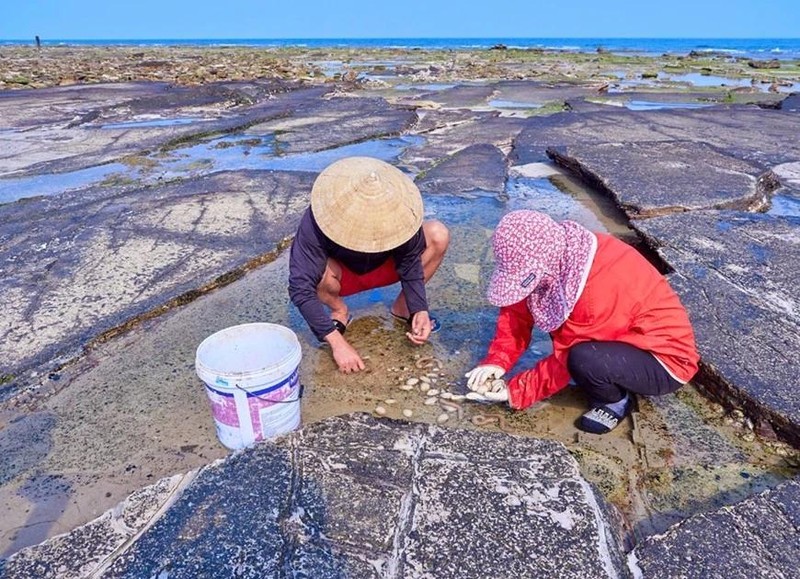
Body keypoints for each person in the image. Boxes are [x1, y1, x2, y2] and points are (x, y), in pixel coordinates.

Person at [465, 210, 699, 434]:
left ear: (544, 267)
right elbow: (518, 305)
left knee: (584, 358)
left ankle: (614, 401)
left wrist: (514, 390)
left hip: (663, 361)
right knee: (577, 346)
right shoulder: (560, 252)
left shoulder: (595, 290)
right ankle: (611, 374)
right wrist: (497, 360)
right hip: (623, 339)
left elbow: (566, 355)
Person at [289, 156, 450, 373]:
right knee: (315, 271)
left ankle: (403, 308)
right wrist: (338, 345)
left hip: (386, 268)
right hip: (341, 278)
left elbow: (411, 259)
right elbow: (300, 288)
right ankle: (339, 311)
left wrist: (419, 308)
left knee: (437, 234)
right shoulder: (319, 218)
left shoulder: (400, 211)